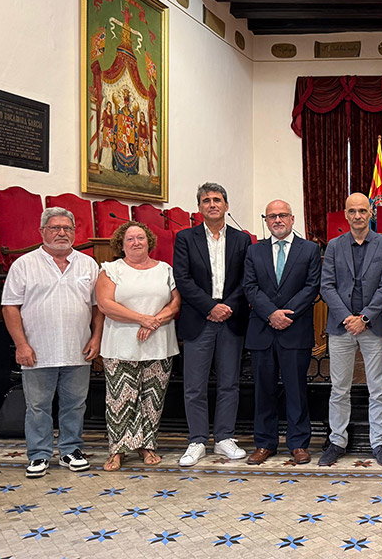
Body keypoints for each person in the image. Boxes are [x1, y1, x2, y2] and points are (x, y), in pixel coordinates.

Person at [2, 207, 103, 478]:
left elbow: (97, 307)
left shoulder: (88, 264)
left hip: (77, 349)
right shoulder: (24, 264)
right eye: (55, 228)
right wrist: (21, 345)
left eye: (67, 228)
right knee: (37, 407)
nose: (61, 233)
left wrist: (96, 337)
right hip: (37, 351)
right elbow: (10, 307)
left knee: (75, 405)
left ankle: (71, 449)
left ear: (74, 232)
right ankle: (39, 454)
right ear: (42, 232)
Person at [173, 182, 252, 467]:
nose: (212, 204)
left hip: (231, 317)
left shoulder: (242, 240)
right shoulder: (185, 238)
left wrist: (227, 307)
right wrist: (210, 306)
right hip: (200, 318)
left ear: (226, 206)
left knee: (229, 383)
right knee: (194, 385)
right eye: (206, 200)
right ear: (199, 208)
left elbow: (247, 279)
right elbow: (183, 279)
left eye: (217, 199)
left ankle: (224, 438)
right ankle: (196, 440)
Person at [319, 193, 382, 467]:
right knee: (339, 388)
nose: (358, 216)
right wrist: (347, 318)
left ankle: (379, 442)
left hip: (373, 326)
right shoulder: (334, 245)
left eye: (363, 210)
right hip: (341, 328)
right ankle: (337, 440)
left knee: (378, 389)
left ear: (371, 213)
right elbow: (326, 286)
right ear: (345, 214)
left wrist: (363, 317)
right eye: (352, 211)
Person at [96, 221, 181, 472]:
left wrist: (154, 322)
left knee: (152, 398)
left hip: (159, 343)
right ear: (121, 244)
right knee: (121, 399)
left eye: (140, 238)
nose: (136, 242)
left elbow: (175, 303)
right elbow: (105, 304)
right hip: (120, 344)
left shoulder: (165, 269)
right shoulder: (111, 270)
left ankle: (147, 445)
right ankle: (117, 450)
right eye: (130, 239)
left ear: (149, 241)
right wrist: (141, 319)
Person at [243, 200, 322, 465]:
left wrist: (286, 313)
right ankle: (264, 443)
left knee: (296, 389)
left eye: (282, 215)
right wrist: (271, 314)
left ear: (292, 219)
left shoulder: (310, 249)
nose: (277, 220)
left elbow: (312, 287)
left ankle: (298, 443)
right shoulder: (254, 252)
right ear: (266, 220)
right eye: (271, 216)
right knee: (263, 389)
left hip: (295, 329)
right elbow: (250, 287)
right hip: (263, 330)